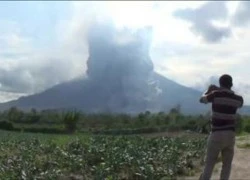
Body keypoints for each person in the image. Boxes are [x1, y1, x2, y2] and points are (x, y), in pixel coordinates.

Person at [199, 74, 244, 180]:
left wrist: (208, 91)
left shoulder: (215, 94)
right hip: (230, 135)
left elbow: (202, 100)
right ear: (231, 84)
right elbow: (240, 104)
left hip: (216, 134)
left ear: (220, 84)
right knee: (227, 166)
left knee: (209, 164)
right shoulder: (238, 99)